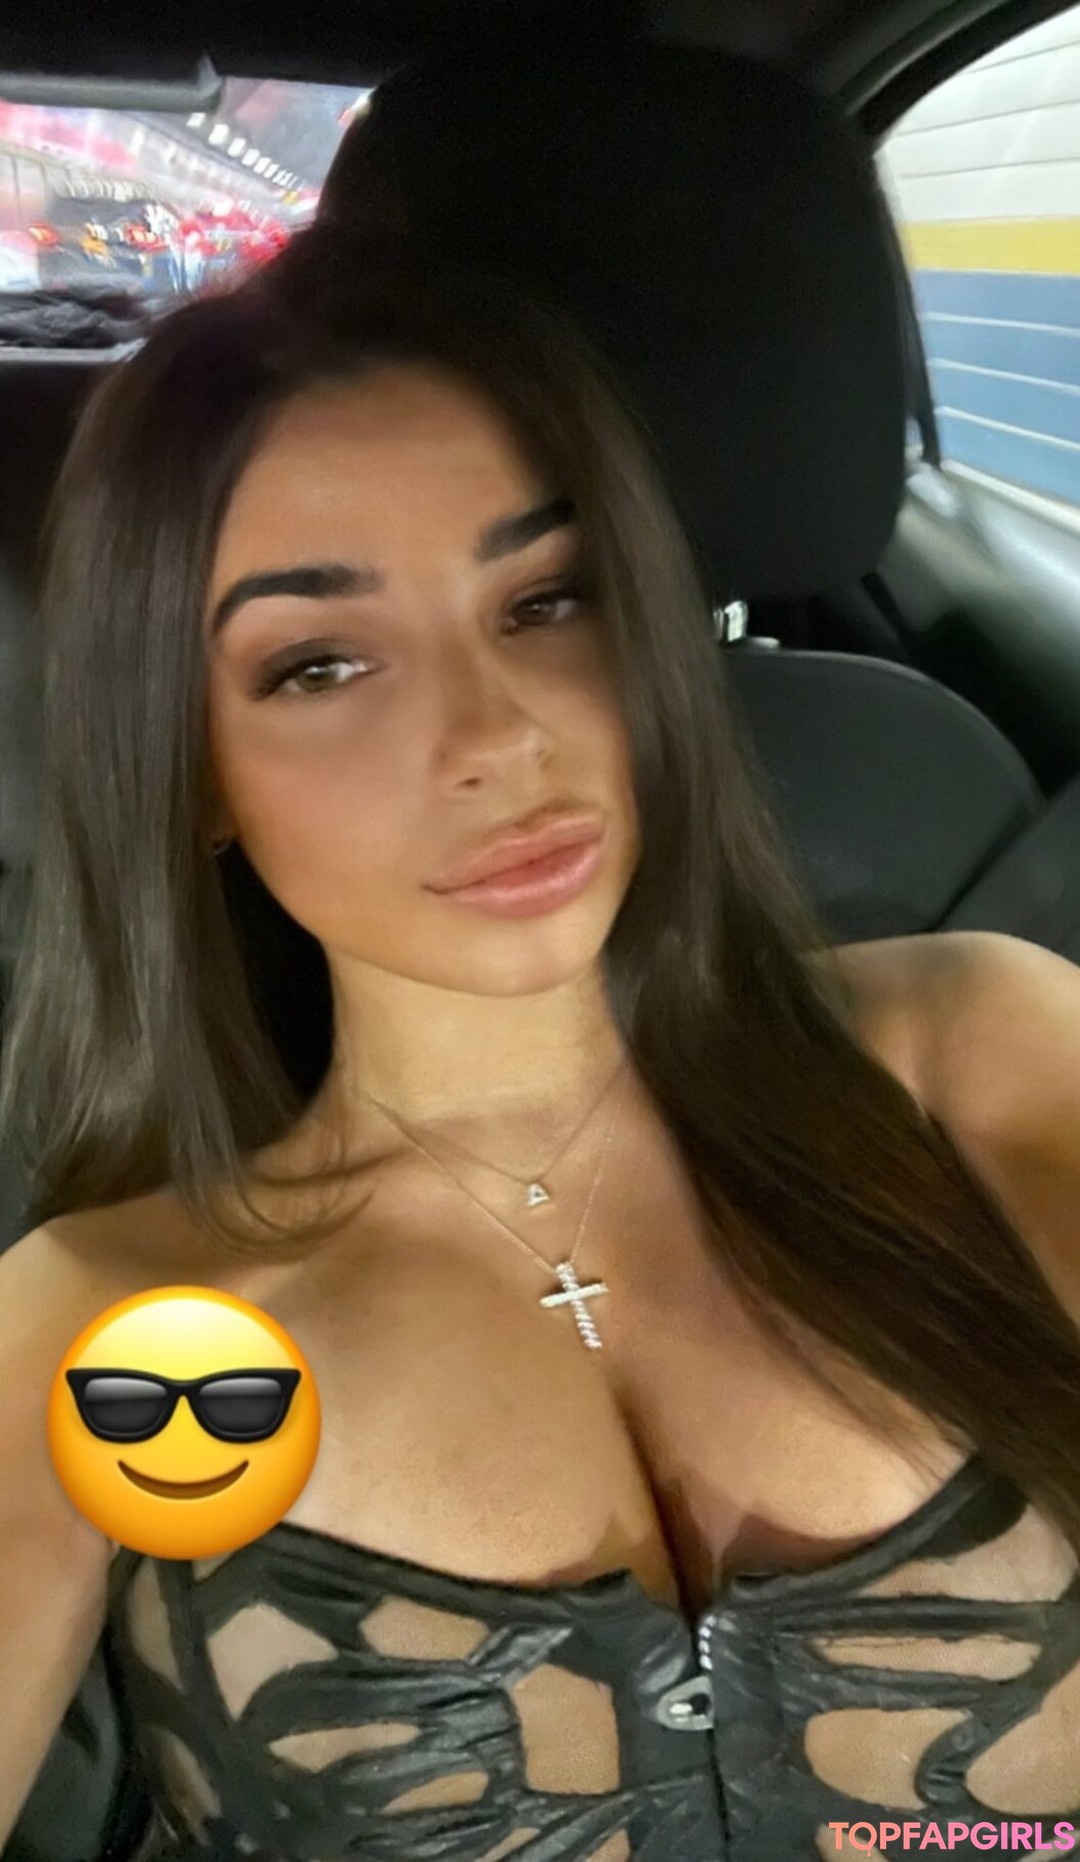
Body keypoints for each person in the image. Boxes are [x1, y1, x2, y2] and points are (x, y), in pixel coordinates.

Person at [1, 235, 1079, 1862]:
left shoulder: (972, 1054)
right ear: (195, 767)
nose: (495, 735)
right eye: (320, 663)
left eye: (546, 598)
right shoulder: (115, 1317)